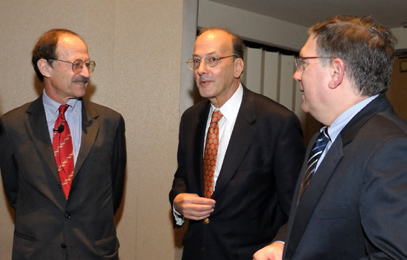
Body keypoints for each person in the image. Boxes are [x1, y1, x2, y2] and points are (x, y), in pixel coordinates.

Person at [253, 15, 407, 260]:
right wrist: (284, 243)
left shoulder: (390, 149)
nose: (296, 75)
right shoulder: (322, 138)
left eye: (303, 63)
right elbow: (313, 218)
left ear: (336, 72)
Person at [169, 27, 305, 260]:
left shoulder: (277, 123)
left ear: (238, 67)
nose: (201, 70)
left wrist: (281, 244)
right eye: (196, 61)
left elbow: (297, 205)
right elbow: (183, 176)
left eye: (212, 60)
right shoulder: (190, 119)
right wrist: (178, 202)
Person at [0, 29, 126, 260]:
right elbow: (16, 195)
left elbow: (114, 194)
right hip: (37, 252)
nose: (86, 73)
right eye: (76, 64)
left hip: (94, 251)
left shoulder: (110, 123)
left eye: (88, 64)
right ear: (45, 68)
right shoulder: (12, 126)